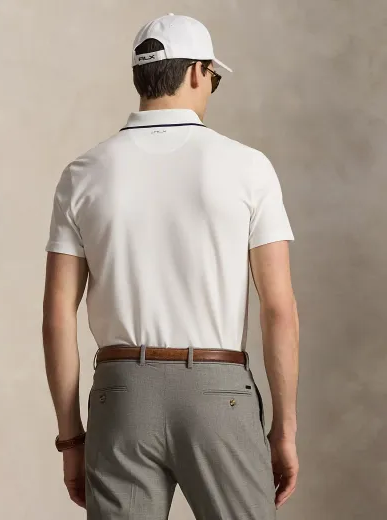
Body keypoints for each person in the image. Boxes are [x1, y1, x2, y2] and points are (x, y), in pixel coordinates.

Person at [42, 12, 299, 520]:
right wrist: (284, 430)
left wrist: (70, 438)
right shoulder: (248, 167)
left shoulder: (83, 174)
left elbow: (56, 315)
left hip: (121, 396)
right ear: (198, 72)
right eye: (214, 77)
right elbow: (279, 310)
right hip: (219, 394)